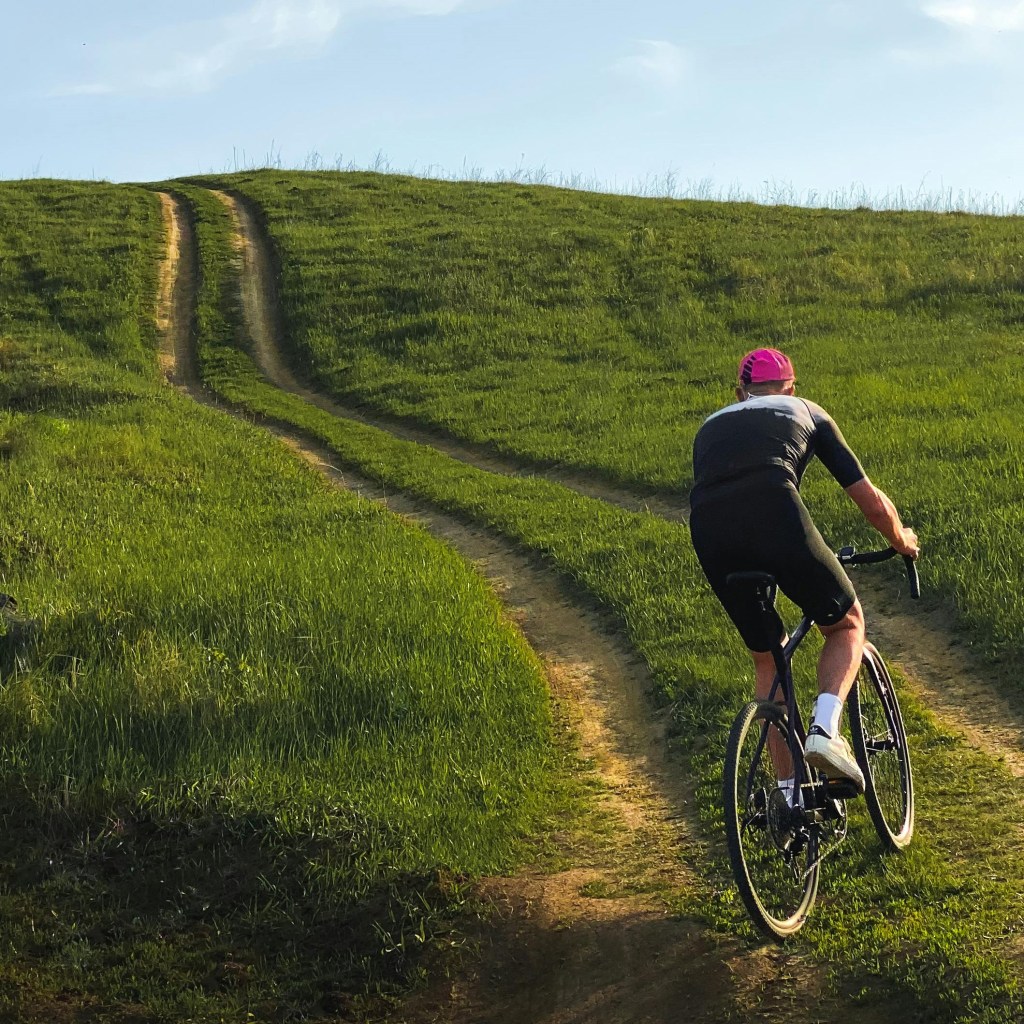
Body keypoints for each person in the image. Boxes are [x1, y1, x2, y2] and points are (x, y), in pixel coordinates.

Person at [689, 348, 919, 795]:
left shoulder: (710, 426)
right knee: (847, 624)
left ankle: (789, 794)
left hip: (709, 531)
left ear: (740, 393)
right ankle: (826, 733)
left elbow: (723, 491)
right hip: (775, 511)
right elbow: (869, 499)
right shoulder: (807, 411)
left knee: (767, 658)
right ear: (792, 388)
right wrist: (901, 539)